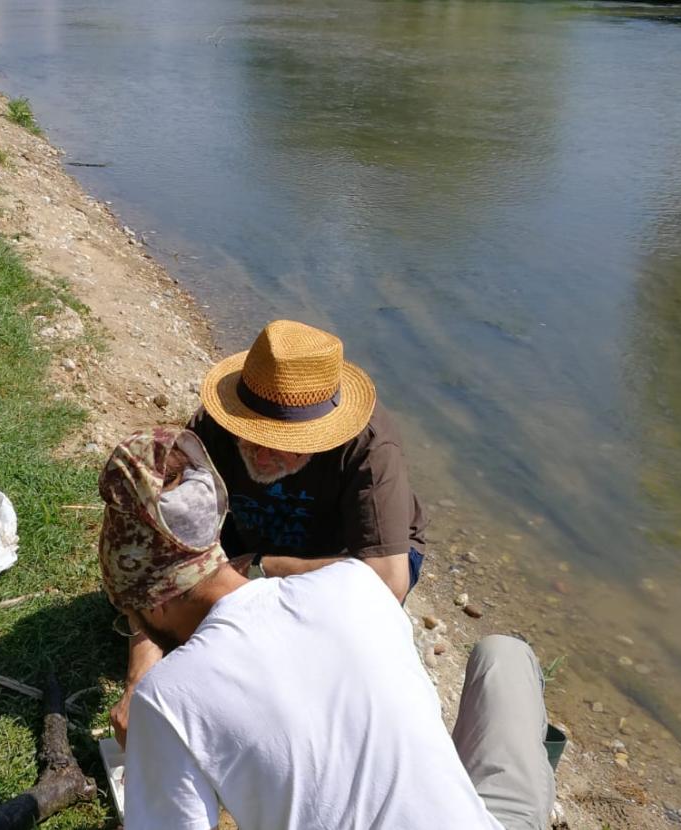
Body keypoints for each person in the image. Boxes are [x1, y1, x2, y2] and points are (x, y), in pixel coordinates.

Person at [99, 427, 556, 830]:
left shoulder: (167, 699)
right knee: (504, 654)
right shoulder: (357, 585)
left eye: (130, 618)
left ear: (153, 604)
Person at [112, 318, 428, 742]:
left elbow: (388, 582)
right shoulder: (211, 427)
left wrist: (269, 567)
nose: (262, 453)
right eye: (251, 432)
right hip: (249, 541)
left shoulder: (368, 446)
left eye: (284, 440)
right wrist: (141, 677)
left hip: (348, 562)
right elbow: (155, 548)